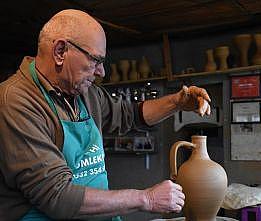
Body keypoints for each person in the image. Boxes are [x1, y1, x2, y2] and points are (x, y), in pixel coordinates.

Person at [0, 9, 211, 221]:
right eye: (95, 60)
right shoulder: (16, 101)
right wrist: (145, 198)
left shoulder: (85, 92)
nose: (101, 72)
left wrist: (176, 102)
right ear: (60, 51)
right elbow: (56, 196)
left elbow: (131, 115)